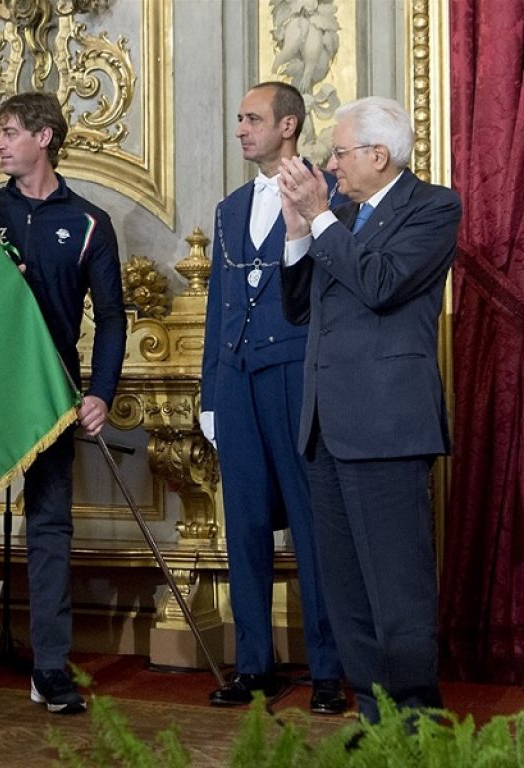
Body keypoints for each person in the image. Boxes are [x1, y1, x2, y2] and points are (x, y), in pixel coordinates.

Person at [0, 91, 126, 721]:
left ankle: (50, 670)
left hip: (53, 396)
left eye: (10, 131)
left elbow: (114, 320)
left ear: (44, 137)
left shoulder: (91, 221)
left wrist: (100, 391)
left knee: (50, 532)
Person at [276, 96, 461, 723]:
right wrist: (299, 231)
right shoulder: (340, 214)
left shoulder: (433, 208)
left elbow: (381, 284)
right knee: (348, 591)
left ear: (379, 156)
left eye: (340, 152)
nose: (331, 164)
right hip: (326, 426)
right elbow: (301, 308)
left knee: (397, 589)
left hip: (386, 426)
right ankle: (376, 717)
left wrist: (321, 218)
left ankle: (417, 722)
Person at [200, 81, 347, 714]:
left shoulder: (328, 192)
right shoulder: (231, 207)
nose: (240, 129)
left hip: (297, 374)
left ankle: (328, 671)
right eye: (238, 118)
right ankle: (254, 665)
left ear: (288, 126)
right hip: (236, 380)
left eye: (253, 118)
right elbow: (216, 307)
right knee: (247, 527)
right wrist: (211, 391)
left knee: (315, 530)